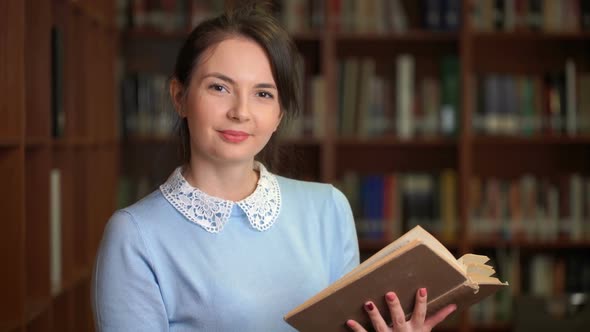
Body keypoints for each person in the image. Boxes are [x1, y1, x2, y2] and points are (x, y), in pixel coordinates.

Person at [92, 2, 456, 331]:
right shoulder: (135, 236)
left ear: (280, 113)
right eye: (219, 88)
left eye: (263, 94)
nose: (241, 112)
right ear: (179, 97)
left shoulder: (327, 209)